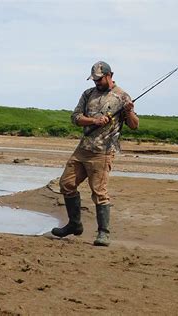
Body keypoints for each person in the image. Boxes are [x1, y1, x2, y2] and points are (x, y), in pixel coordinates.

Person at [51, 61, 139, 246]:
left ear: (109, 75)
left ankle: (103, 233)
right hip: (83, 148)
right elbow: (75, 117)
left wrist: (129, 112)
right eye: (94, 80)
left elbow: (134, 125)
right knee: (66, 184)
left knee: (99, 192)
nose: (96, 83)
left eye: (99, 79)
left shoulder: (122, 97)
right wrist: (94, 120)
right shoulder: (88, 94)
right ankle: (75, 225)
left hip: (104, 151)